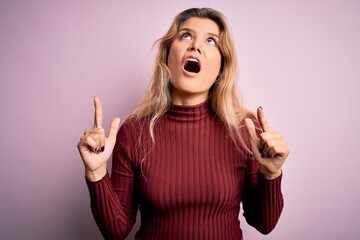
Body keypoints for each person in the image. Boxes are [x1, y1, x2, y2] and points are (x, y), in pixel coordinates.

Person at [77, 7, 290, 240]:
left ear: (222, 66)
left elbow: (264, 224)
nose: (195, 45)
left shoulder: (244, 130)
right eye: (185, 36)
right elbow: (116, 231)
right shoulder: (134, 132)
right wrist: (96, 173)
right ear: (167, 56)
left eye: (211, 41)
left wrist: (271, 174)